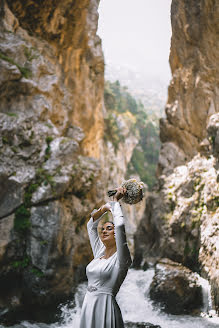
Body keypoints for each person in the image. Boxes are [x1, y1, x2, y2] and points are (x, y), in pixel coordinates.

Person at [79, 187, 132, 328]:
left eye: (109, 228)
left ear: (116, 235)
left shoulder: (121, 258)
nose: (103, 231)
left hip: (106, 308)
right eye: (103, 229)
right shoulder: (99, 253)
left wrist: (115, 202)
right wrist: (104, 208)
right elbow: (91, 225)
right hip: (88, 306)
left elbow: (120, 225)